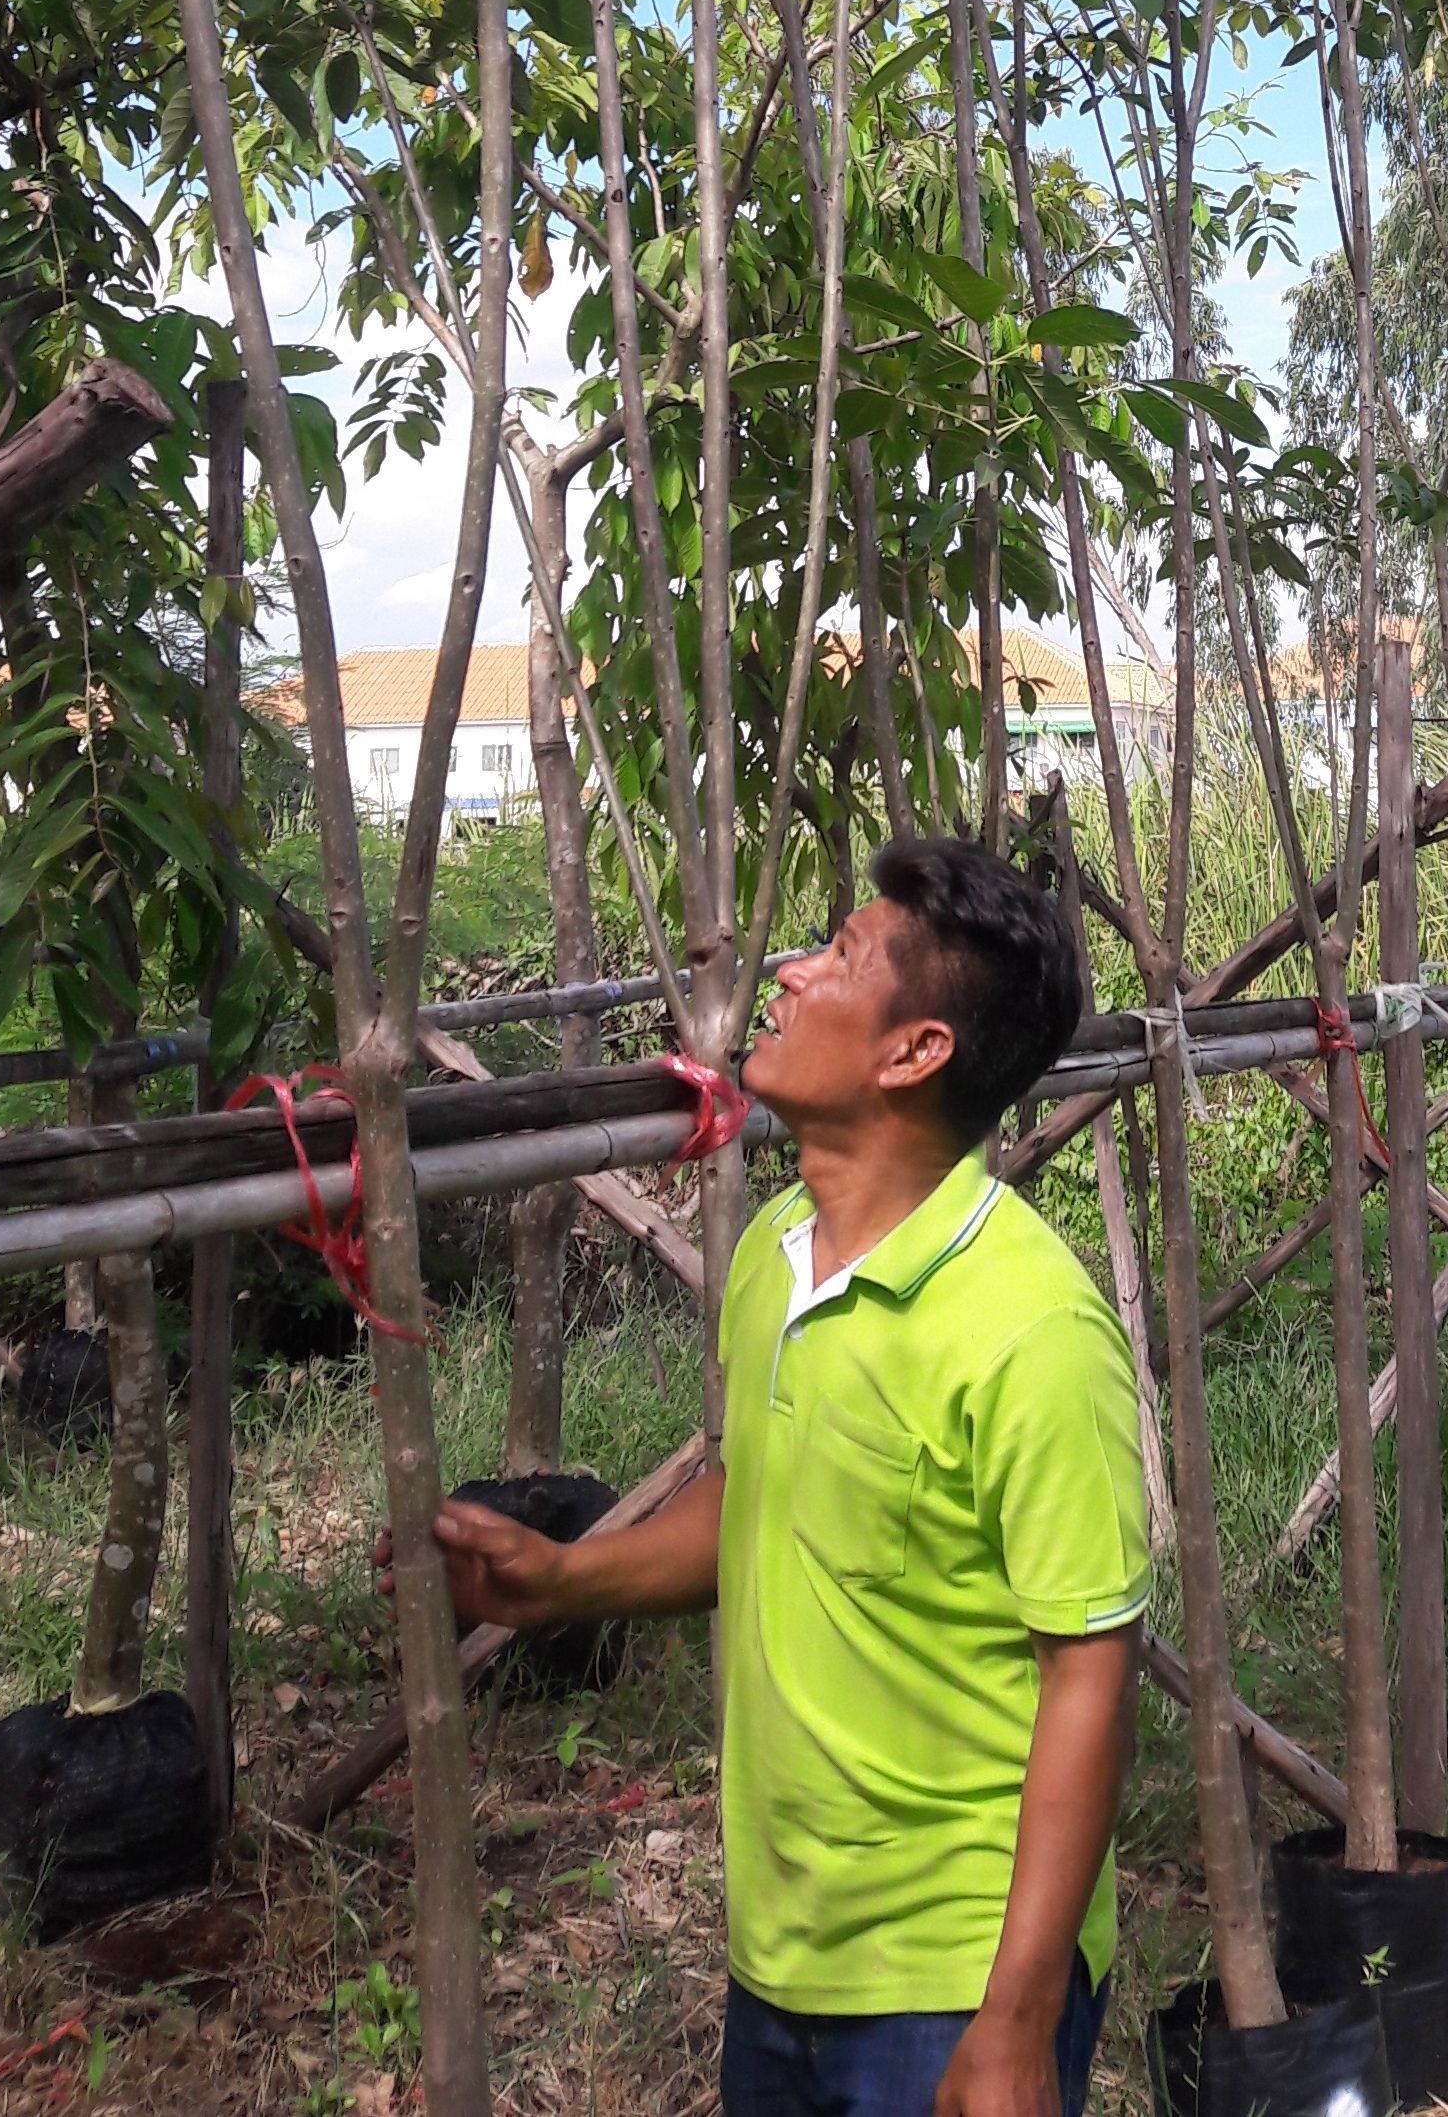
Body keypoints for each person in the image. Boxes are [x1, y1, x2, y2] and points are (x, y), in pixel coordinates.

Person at [418, 837, 1149, 2117]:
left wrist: (1018, 2019)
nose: (794, 972)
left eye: (842, 958)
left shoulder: (1032, 1331)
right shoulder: (771, 1255)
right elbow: (763, 1501)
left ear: (914, 1052)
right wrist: (565, 1578)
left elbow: (1090, 1667)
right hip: (782, 1955)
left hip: (953, 1967)